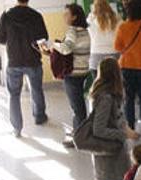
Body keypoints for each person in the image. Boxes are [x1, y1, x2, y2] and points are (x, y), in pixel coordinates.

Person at [89, 58, 140, 180]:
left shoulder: (111, 94)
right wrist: (123, 134)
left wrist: (126, 130)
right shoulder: (105, 98)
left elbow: (118, 118)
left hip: (116, 150)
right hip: (108, 152)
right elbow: (99, 129)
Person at [0, 0, 49, 137]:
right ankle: (39, 116)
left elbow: (0, 39)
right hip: (33, 61)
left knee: (14, 95)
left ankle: (17, 128)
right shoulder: (36, 16)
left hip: (14, 62)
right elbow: (44, 38)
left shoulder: (6, 16)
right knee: (36, 89)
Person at [48, 4, 90, 146]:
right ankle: (79, 133)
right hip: (84, 70)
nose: (64, 17)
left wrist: (53, 44)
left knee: (77, 107)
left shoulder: (72, 31)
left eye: (67, 14)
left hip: (73, 73)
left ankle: (78, 138)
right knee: (79, 105)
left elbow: (66, 49)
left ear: (74, 17)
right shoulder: (85, 30)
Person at [114, 0, 141, 128]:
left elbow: (117, 47)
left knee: (129, 98)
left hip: (126, 66)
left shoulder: (122, 27)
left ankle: (130, 126)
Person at [87, 0, 121, 76]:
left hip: (96, 59)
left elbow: (88, 21)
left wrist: (92, 13)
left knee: (98, 87)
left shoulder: (90, 21)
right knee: (114, 86)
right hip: (114, 56)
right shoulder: (117, 19)